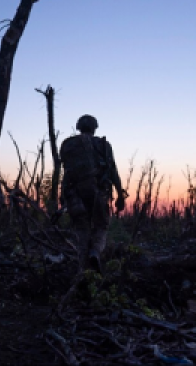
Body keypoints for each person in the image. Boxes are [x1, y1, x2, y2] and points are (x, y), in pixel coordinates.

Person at [59, 114, 124, 272]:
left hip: (75, 195)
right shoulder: (103, 145)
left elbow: (66, 173)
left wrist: (63, 196)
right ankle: (95, 251)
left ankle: (83, 271)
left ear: (78, 127)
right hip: (99, 194)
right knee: (101, 226)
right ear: (95, 128)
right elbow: (113, 171)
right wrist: (120, 195)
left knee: (82, 230)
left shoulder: (68, 145)